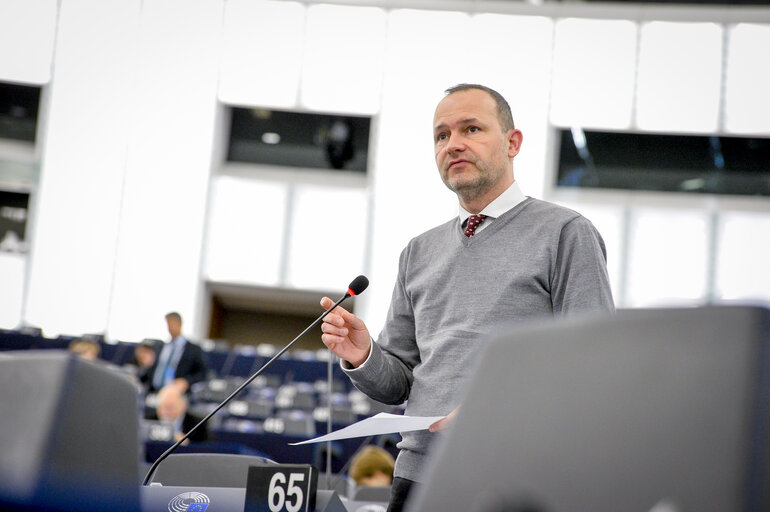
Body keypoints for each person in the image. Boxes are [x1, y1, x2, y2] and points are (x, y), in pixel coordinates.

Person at [319, 84, 615, 511]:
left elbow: (593, 362)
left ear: (513, 143)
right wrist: (364, 355)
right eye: (441, 135)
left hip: (514, 480)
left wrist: (498, 409)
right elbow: (399, 381)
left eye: (471, 129)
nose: (453, 144)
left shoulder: (565, 234)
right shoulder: (418, 251)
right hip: (417, 477)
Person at [141, 312, 207, 394]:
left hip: (176, 395)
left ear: (179, 324)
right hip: (154, 392)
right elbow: (155, 368)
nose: (169, 327)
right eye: (168, 324)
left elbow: (202, 374)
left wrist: (187, 381)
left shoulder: (193, 349)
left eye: (171, 323)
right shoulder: (161, 346)